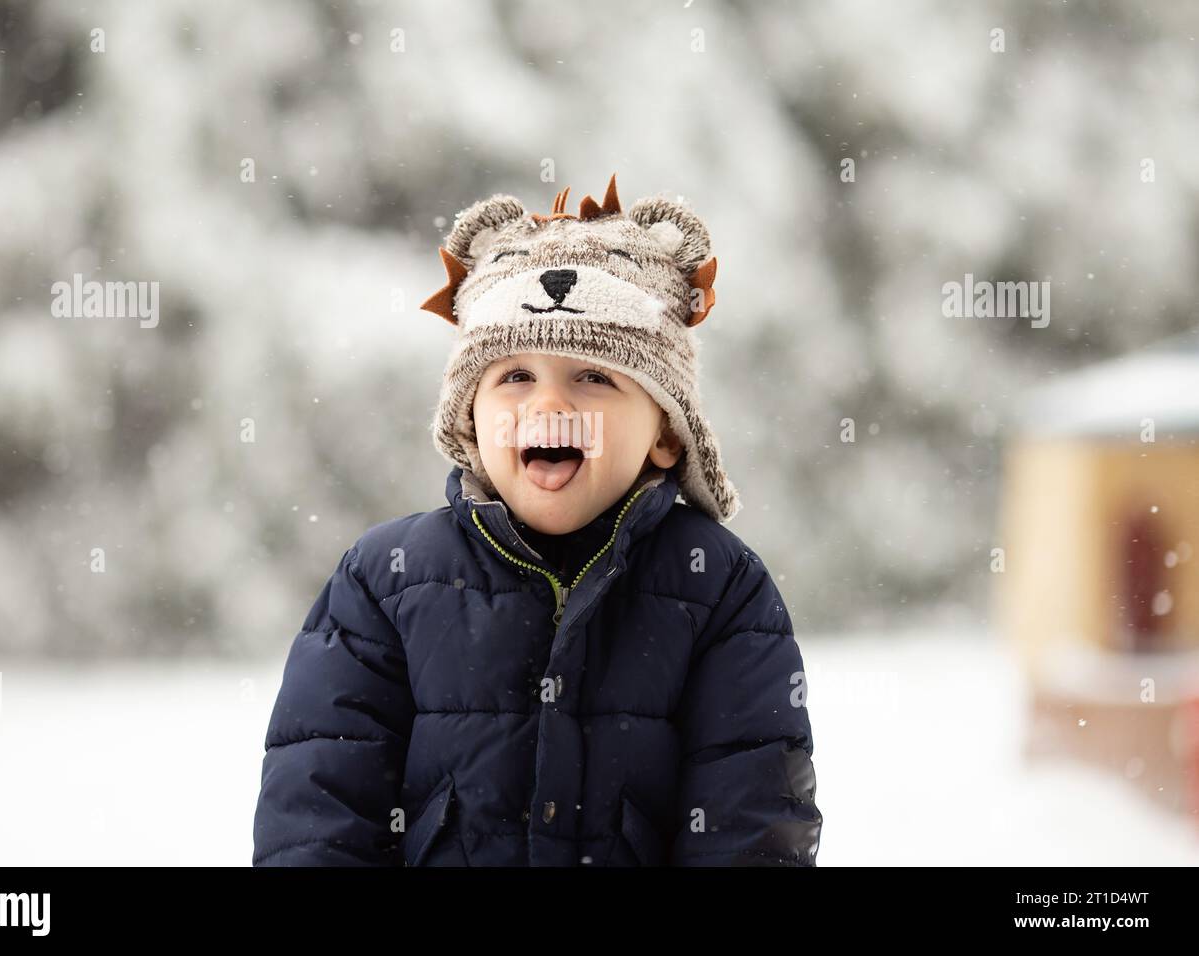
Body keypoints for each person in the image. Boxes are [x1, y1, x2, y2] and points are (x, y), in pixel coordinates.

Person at [251, 173, 822, 866]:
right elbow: (320, 813)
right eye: (515, 376)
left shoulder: (718, 588)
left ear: (667, 434)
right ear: (470, 417)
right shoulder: (386, 582)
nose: (548, 405)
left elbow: (751, 821)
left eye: (593, 376)